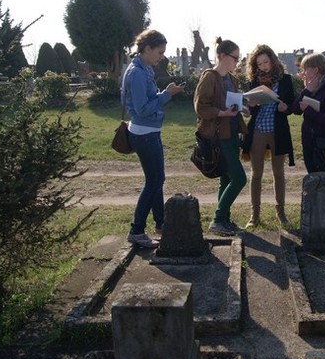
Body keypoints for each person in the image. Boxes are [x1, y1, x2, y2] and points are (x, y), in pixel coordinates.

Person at [122, 29, 185, 248]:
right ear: (147, 49)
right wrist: (167, 95)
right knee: (154, 181)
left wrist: (165, 93)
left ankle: (161, 223)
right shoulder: (138, 73)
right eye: (159, 52)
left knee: (156, 179)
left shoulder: (144, 68)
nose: (162, 57)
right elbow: (142, 109)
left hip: (148, 131)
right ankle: (136, 230)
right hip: (144, 133)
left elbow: (147, 101)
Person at [194, 37, 248, 236]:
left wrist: (242, 108)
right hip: (218, 136)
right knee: (239, 179)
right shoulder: (210, 77)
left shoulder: (233, 80)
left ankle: (224, 220)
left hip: (232, 134)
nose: (237, 62)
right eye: (235, 57)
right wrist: (221, 113)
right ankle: (217, 220)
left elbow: (232, 103)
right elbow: (200, 107)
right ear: (223, 56)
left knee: (226, 179)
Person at [241, 44, 295, 228]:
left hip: (277, 130)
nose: (263, 66)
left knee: (278, 172)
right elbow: (247, 110)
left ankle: (281, 213)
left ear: (272, 60)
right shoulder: (253, 82)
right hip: (258, 129)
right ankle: (254, 215)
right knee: (256, 173)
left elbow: (291, 105)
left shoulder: (285, 80)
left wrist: (285, 107)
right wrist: (249, 107)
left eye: (266, 62)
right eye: (259, 64)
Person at [291, 53, 325, 173]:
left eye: (305, 69)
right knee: (312, 178)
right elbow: (295, 109)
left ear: (315, 70)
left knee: (323, 180)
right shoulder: (310, 89)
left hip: (324, 145)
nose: (303, 73)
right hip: (309, 143)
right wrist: (307, 91)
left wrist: (309, 111)